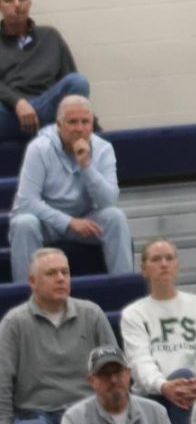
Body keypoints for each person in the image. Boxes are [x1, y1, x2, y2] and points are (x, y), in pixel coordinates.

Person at [0, 247, 117, 424]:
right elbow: (2, 382)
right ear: (33, 282)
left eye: (65, 272)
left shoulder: (92, 314)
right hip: (38, 416)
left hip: (89, 409)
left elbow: (115, 371)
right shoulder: (14, 323)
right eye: (52, 273)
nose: (61, 278)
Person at [8, 94, 134, 283]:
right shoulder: (39, 148)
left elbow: (109, 201)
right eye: (73, 122)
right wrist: (68, 222)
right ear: (59, 125)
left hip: (85, 219)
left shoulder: (104, 149)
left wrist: (86, 167)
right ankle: (26, 300)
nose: (80, 129)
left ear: (92, 125)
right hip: (46, 223)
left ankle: (125, 289)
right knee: (24, 223)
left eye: (85, 122)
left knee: (115, 217)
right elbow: (27, 201)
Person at [121, 238, 196, 424]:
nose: (164, 264)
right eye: (156, 259)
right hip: (153, 396)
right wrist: (165, 386)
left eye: (169, 258)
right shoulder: (134, 314)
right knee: (179, 377)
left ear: (177, 265)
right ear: (144, 269)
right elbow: (140, 362)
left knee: (185, 377)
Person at [0, 0, 90, 142]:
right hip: (9, 113)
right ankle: (50, 132)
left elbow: (70, 80)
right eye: (9, 0)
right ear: (0, 6)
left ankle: (51, 129)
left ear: (29, 3)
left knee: (78, 82)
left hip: (48, 107)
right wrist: (18, 102)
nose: (17, 4)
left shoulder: (50, 36)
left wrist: (92, 125)